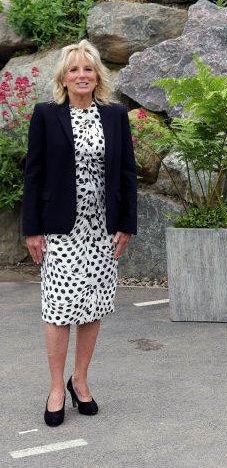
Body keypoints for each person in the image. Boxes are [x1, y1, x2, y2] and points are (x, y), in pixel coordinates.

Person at [22, 40, 137, 427]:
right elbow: (33, 174)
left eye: (88, 69)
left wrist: (127, 224)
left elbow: (127, 175)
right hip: (60, 231)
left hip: (101, 231)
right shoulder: (46, 115)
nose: (82, 76)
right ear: (63, 77)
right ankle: (57, 387)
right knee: (59, 310)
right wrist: (32, 229)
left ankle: (80, 381)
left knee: (93, 307)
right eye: (74, 70)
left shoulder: (116, 116)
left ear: (97, 75)